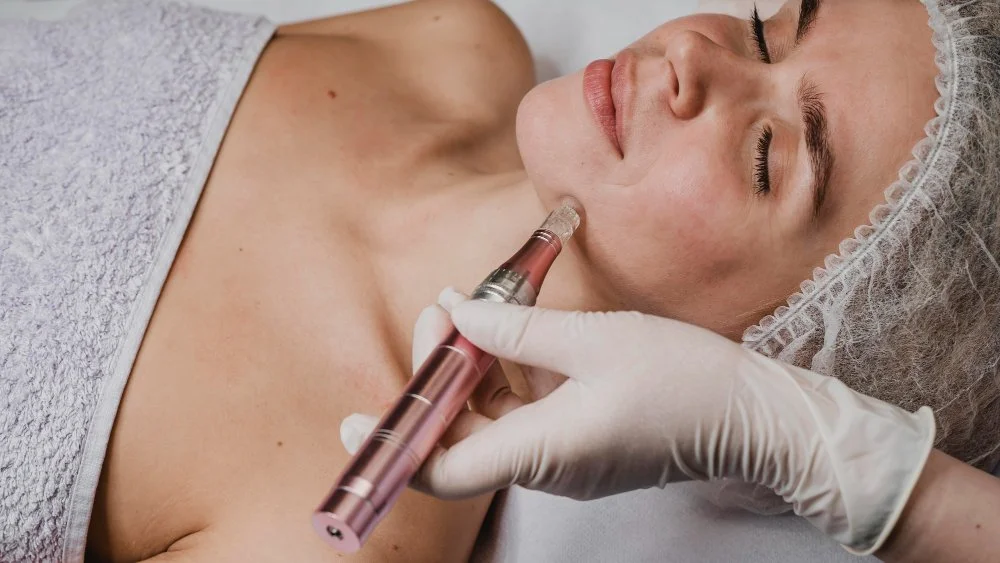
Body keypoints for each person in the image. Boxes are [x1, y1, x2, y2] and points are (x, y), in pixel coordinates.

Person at [0, 1, 992, 563]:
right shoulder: (457, 41)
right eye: (773, 26)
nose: (695, 54)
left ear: (786, 345)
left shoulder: (340, 527)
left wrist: (879, 479)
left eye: (768, 152)